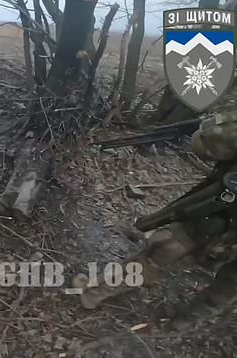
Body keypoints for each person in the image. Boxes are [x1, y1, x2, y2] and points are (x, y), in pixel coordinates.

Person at [72, 111, 237, 332]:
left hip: (217, 219)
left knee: (164, 253)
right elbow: (207, 143)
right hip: (220, 218)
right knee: (224, 285)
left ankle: (95, 293)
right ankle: (182, 322)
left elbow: (205, 142)